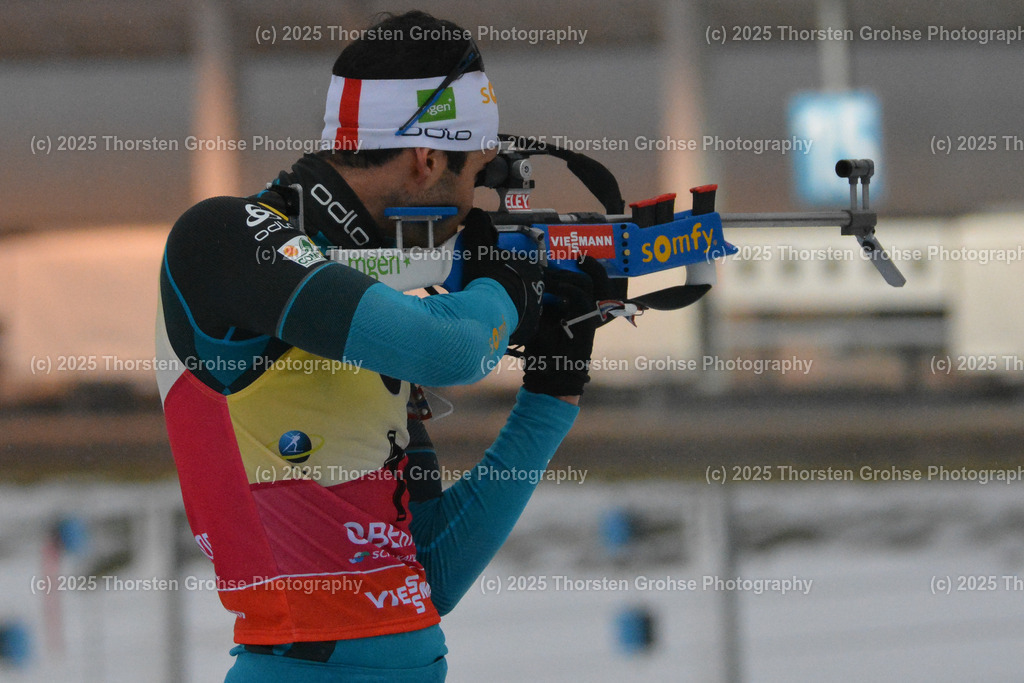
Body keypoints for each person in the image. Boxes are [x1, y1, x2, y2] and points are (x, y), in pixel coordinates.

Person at [155, 10, 605, 682]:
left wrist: (552, 392)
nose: (472, 205)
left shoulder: (371, 311)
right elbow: (452, 351)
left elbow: (432, 574)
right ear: (428, 159)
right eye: (476, 176)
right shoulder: (223, 238)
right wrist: (508, 290)